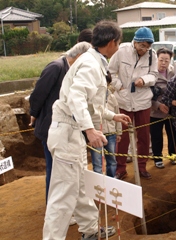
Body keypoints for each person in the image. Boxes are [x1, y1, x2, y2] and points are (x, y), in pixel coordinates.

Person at [43, 20, 131, 240]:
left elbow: (90, 103)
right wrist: (90, 130)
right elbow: (76, 98)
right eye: (118, 43)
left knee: (82, 186)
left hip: (72, 134)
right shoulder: (91, 64)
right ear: (112, 43)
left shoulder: (93, 61)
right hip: (68, 133)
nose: (118, 47)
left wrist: (111, 115)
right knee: (63, 196)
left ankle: (90, 230)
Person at [29, 42, 91, 205]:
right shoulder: (56, 67)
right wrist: (33, 114)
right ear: (79, 57)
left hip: (64, 127)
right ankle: (53, 204)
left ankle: (64, 203)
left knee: (63, 169)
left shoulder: (70, 70)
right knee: (54, 168)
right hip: (50, 126)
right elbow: (38, 93)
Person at [109, 27, 158, 180]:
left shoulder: (152, 55)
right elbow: (109, 72)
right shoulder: (121, 51)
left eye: (148, 46)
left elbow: (154, 74)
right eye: (142, 45)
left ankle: (142, 166)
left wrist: (144, 80)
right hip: (124, 100)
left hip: (143, 100)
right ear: (135, 43)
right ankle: (120, 168)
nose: (145, 49)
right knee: (122, 136)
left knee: (143, 135)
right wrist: (119, 86)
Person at [150, 47, 176, 169]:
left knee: (173, 134)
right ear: (156, 59)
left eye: (167, 60)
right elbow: (146, 94)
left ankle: (173, 155)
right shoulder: (151, 74)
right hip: (155, 112)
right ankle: (157, 158)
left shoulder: (173, 72)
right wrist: (158, 105)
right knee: (156, 136)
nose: (163, 63)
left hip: (171, 110)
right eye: (161, 59)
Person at [90, 72, 121, 177]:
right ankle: (98, 184)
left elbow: (117, 113)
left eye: (106, 83)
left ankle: (112, 180)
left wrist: (119, 132)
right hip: (97, 134)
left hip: (111, 133)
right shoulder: (92, 98)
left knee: (112, 160)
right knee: (97, 161)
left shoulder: (112, 97)